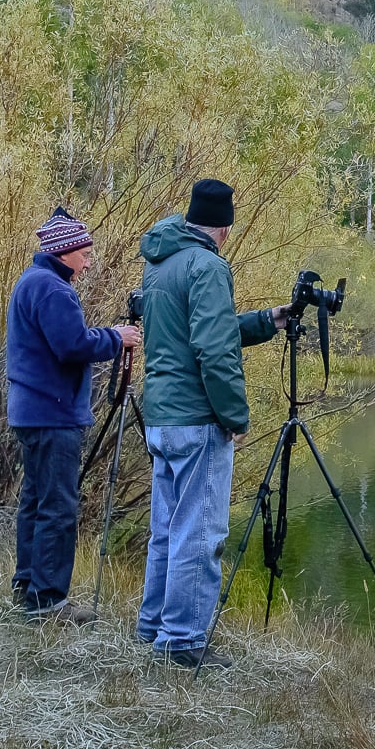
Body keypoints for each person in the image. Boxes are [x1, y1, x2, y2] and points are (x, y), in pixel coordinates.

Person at [136, 178, 287, 668]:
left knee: (166, 529)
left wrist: (268, 320)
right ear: (225, 225)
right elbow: (213, 351)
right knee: (199, 534)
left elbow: (192, 334)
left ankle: (154, 627)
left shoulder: (160, 264)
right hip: (197, 420)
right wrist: (234, 416)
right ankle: (182, 644)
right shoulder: (208, 266)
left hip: (161, 419)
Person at [6, 208, 142, 622]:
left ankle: (27, 586)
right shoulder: (54, 290)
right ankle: (48, 601)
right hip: (54, 414)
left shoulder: (31, 282)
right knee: (59, 507)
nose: (87, 261)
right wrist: (116, 338)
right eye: (84, 252)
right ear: (65, 253)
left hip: (32, 412)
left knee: (35, 500)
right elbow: (72, 346)